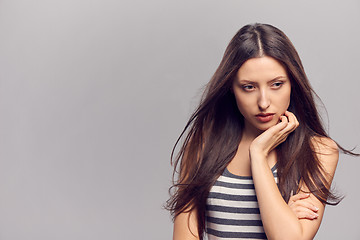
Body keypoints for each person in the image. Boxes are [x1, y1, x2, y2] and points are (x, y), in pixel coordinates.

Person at [166, 23, 357, 240]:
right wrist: (284, 217)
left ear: (293, 84)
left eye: (276, 84)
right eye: (249, 87)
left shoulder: (318, 151)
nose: (264, 102)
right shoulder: (202, 147)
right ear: (231, 88)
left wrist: (257, 154)